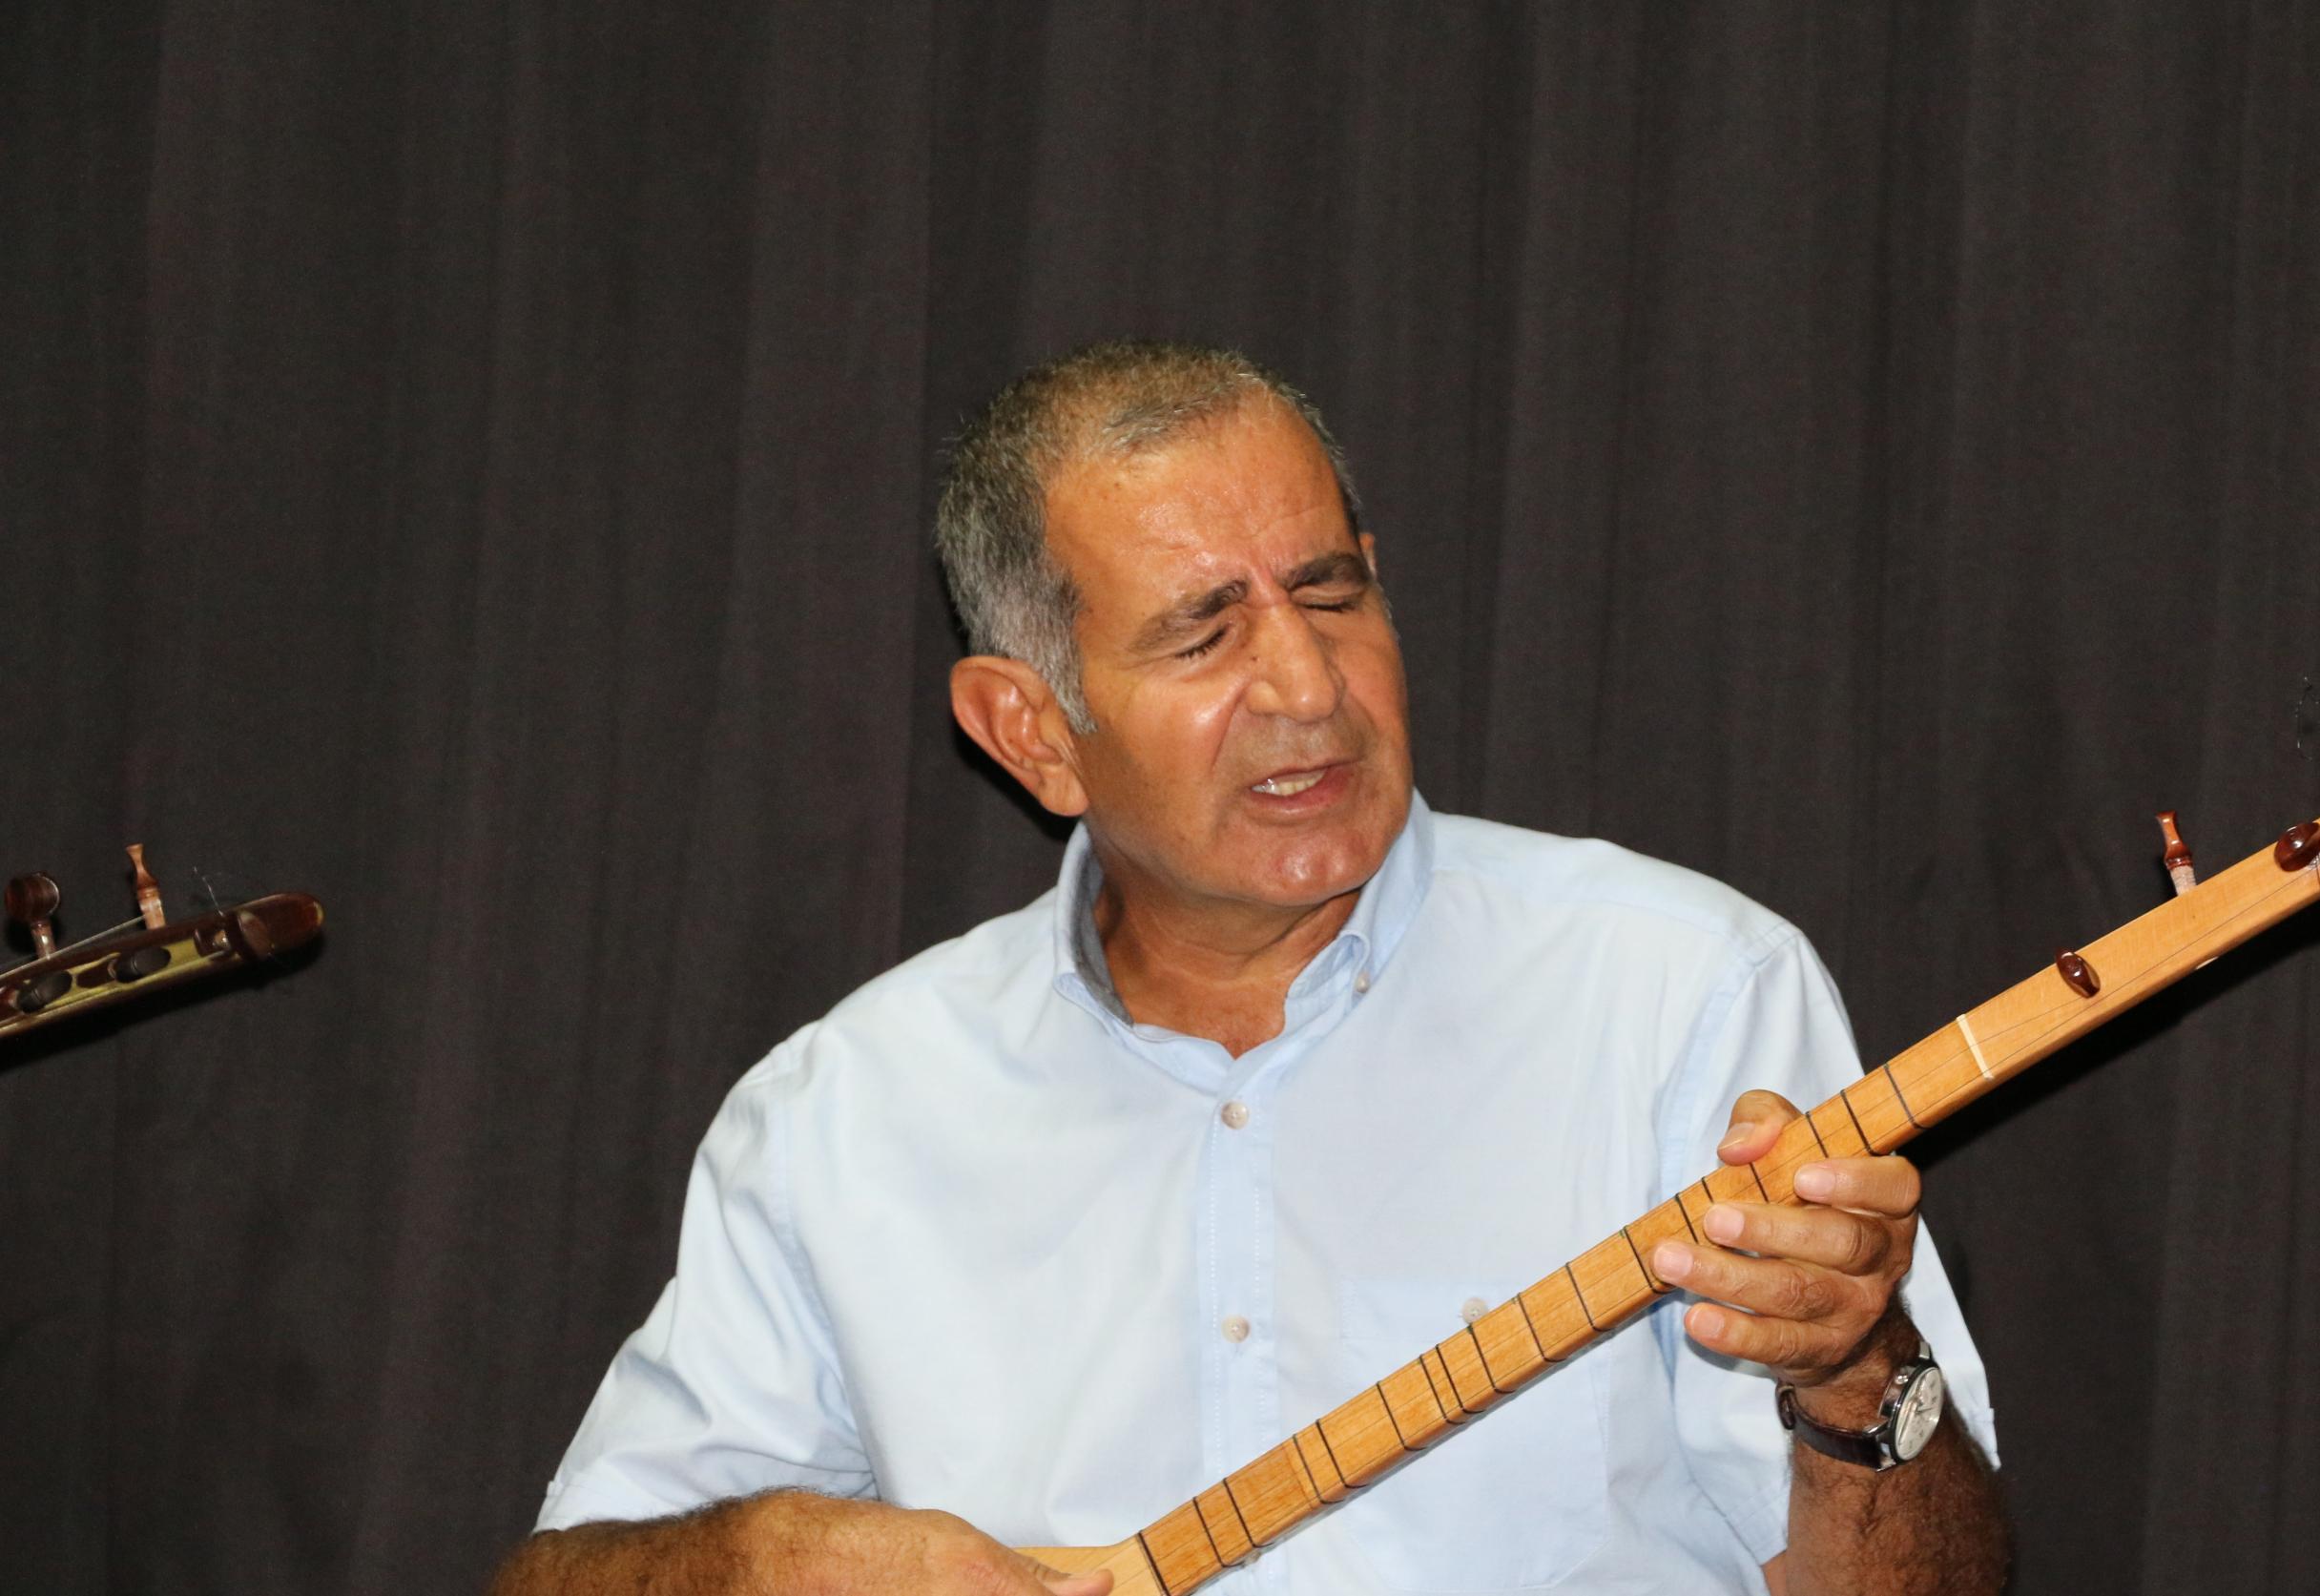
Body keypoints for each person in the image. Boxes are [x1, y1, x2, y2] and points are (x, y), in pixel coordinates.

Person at [492, 341, 2009, 1595]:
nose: (1305, 684)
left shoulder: (1684, 991)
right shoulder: (845, 1111)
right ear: (1031, 730)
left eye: (1331, 594)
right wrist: (764, 1557)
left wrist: (1856, 1376)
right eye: (1203, 635)